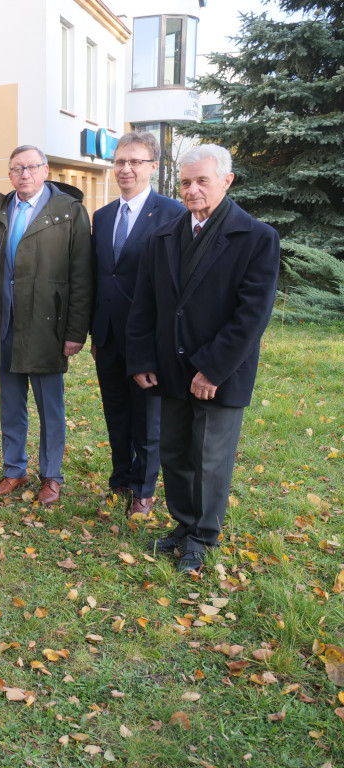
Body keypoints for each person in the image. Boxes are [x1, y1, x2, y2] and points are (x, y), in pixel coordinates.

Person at [127, 144, 279, 574]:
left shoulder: (256, 237)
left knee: (209, 460)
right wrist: (141, 359)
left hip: (219, 372)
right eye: (186, 182)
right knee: (175, 453)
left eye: (202, 181)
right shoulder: (164, 235)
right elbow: (145, 306)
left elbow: (252, 315)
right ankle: (182, 524)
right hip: (170, 368)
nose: (192, 190)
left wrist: (211, 368)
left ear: (226, 181)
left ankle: (202, 537)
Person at [0, 145, 92, 507]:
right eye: (17, 168)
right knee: (11, 404)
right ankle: (14, 469)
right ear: (9, 175)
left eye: (31, 167)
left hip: (47, 326)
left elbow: (82, 276)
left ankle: (51, 475)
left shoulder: (69, 212)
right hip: (5, 324)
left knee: (50, 407)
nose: (24, 174)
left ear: (45, 171)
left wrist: (75, 331)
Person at [90, 132, 185, 517]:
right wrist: (96, 331)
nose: (125, 168)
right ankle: (121, 479)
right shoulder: (103, 215)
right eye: (119, 161)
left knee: (147, 418)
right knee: (115, 412)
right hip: (109, 334)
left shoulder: (173, 214)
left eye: (135, 161)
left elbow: (174, 285)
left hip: (148, 338)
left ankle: (144, 490)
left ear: (152, 166)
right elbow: (101, 277)